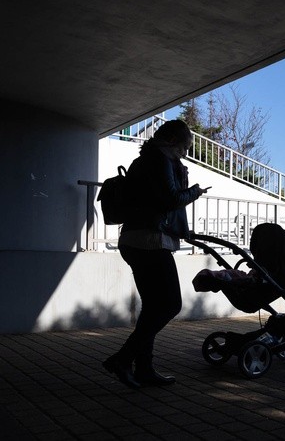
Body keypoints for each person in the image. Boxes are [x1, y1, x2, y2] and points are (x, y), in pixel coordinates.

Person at [103, 119, 208, 388]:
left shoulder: (146, 160)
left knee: (152, 307)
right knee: (171, 304)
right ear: (172, 140)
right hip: (149, 240)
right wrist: (195, 192)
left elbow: (158, 201)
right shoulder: (159, 160)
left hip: (135, 239)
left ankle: (144, 368)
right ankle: (124, 359)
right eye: (185, 146)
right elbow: (170, 199)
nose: (185, 152)